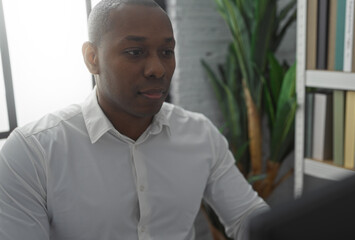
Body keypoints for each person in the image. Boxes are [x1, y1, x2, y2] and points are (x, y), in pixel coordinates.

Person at [0, 0, 269, 239]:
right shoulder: (32, 153)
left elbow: (248, 217)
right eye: (135, 52)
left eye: (166, 52)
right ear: (92, 59)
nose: (157, 69)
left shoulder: (200, 134)